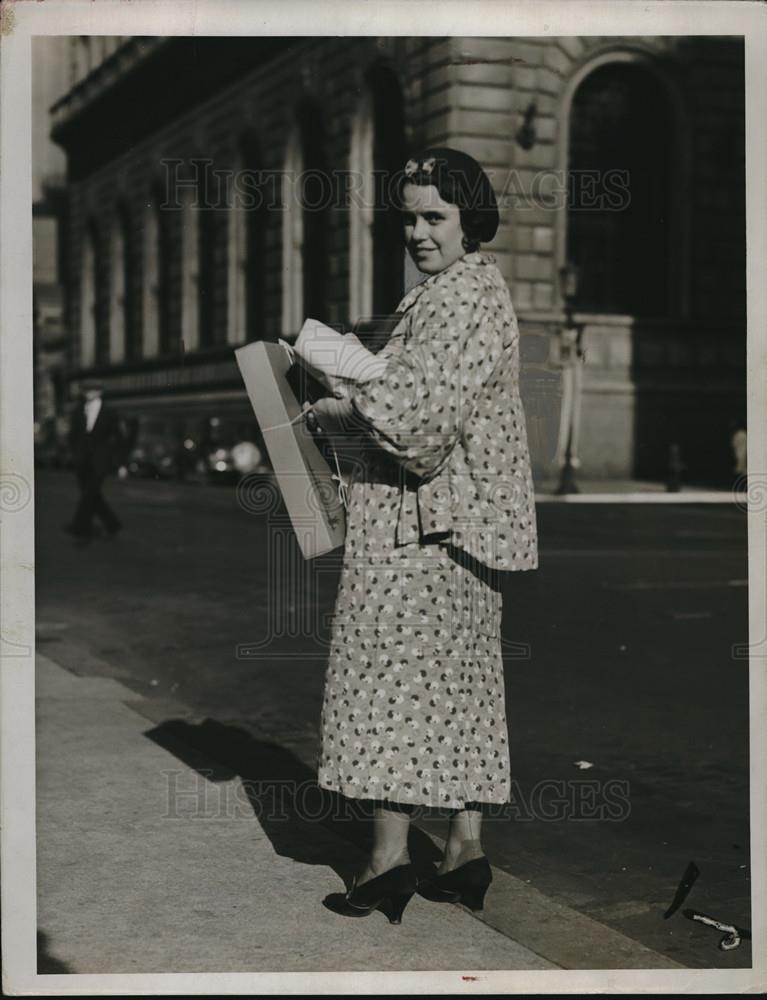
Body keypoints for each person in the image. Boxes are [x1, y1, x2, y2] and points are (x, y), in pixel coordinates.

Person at [309, 148, 539, 924]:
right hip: (457, 529)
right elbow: (421, 400)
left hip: (422, 529)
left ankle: (383, 863)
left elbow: (417, 426)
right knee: (458, 690)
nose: (416, 231)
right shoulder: (457, 293)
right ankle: (463, 851)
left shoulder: (459, 297)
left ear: (469, 217)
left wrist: (337, 394)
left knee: (389, 689)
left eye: (433, 216)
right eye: (407, 215)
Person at [65, 377, 127, 542]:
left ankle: (80, 527)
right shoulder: (78, 411)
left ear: (100, 392)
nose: (88, 393)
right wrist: (74, 452)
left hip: (101, 460)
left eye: (92, 390)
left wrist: (120, 462)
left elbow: (120, 438)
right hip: (81, 460)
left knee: (90, 493)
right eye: (86, 390)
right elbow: (72, 435)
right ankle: (112, 524)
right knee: (91, 494)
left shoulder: (110, 412)